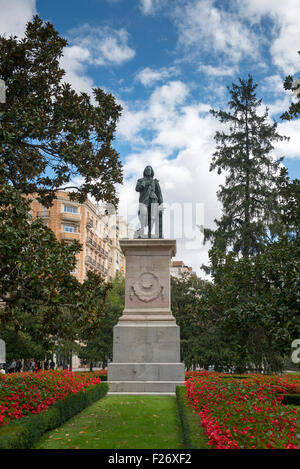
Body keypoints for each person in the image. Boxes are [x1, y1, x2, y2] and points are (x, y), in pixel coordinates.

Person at [135, 166, 163, 238]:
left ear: (152, 171)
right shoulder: (140, 180)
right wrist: (142, 185)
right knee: (143, 213)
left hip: (153, 199)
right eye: (147, 170)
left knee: (153, 216)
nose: (148, 171)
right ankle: (142, 229)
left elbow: (159, 192)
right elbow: (137, 189)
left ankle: (149, 232)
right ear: (144, 171)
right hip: (144, 199)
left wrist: (161, 203)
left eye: (149, 170)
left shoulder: (155, 181)